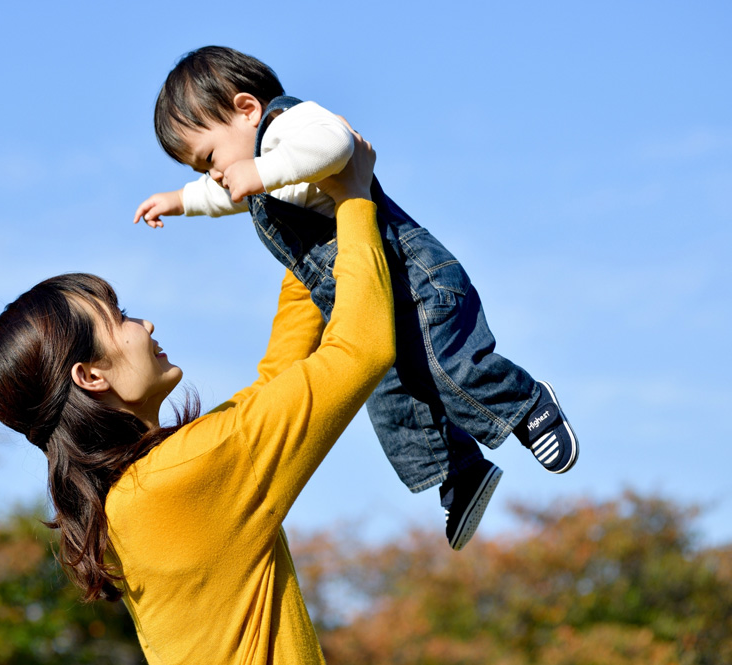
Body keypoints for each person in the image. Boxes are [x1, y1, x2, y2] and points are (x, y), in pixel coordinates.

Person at [134, 45, 578, 551]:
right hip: (369, 300)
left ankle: (528, 406)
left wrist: (261, 172)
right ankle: (461, 471)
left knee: (448, 368)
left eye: (208, 157)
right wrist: (180, 200)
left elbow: (336, 145)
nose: (211, 173)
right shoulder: (256, 170)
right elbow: (222, 193)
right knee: (391, 398)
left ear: (246, 109)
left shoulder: (286, 127)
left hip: (413, 281)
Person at [0, 134, 392, 663]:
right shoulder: (183, 475)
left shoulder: (137, 492)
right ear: (90, 376)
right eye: (120, 318)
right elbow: (362, 350)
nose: (144, 324)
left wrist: (307, 243)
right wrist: (354, 198)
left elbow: (276, 383)